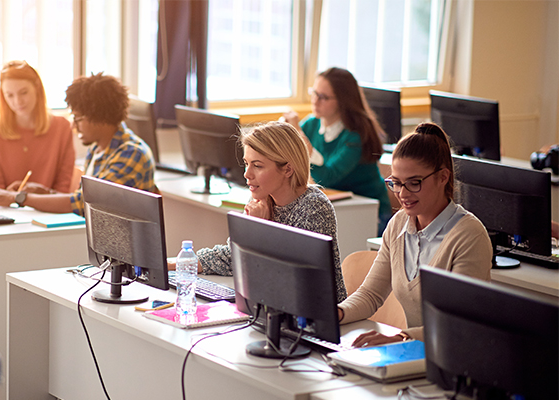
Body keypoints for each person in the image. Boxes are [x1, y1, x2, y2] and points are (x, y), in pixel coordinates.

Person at [338, 122, 493, 347]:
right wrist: (337, 313)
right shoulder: (399, 224)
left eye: (414, 183)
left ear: (443, 177)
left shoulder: (469, 236)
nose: (403, 193)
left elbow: (458, 321)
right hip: (414, 353)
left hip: (459, 357)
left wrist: (402, 338)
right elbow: (370, 294)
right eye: (396, 183)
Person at [191, 121, 347, 303]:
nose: (247, 174)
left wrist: (261, 228)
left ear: (288, 169)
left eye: (257, 166)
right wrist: (185, 263)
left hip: (316, 318)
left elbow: (284, 277)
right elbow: (234, 255)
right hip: (274, 309)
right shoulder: (261, 198)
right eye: (246, 163)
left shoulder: (314, 207)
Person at [0, 72, 157, 214]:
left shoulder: (131, 153)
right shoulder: (98, 148)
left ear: (100, 118)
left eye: (78, 119)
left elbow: (86, 204)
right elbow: (82, 197)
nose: (73, 126)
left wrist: (18, 198)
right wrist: (45, 192)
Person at [283, 67, 391, 236]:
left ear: (342, 101)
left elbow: (326, 178)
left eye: (323, 97)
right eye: (314, 93)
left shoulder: (355, 135)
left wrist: (300, 138)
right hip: (336, 208)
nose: (315, 101)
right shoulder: (312, 124)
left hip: (369, 212)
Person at [0, 60, 76, 194]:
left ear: (37, 87)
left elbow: (62, 188)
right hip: (7, 211)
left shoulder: (62, 128)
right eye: (10, 95)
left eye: (23, 92)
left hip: (50, 210)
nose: (18, 102)